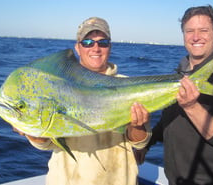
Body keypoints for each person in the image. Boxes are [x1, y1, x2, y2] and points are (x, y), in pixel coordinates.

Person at [15, 17, 151, 185]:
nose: (96, 48)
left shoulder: (130, 88)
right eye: (88, 42)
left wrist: (137, 126)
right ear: (78, 47)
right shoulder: (58, 87)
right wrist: (31, 130)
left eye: (103, 42)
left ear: (110, 47)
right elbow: (47, 144)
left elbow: (140, 143)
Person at [136, 5, 213, 185]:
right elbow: (168, 120)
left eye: (203, 30)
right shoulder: (179, 74)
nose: (195, 37)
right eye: (189, 31)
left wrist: (192, 107)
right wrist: (143, 145)